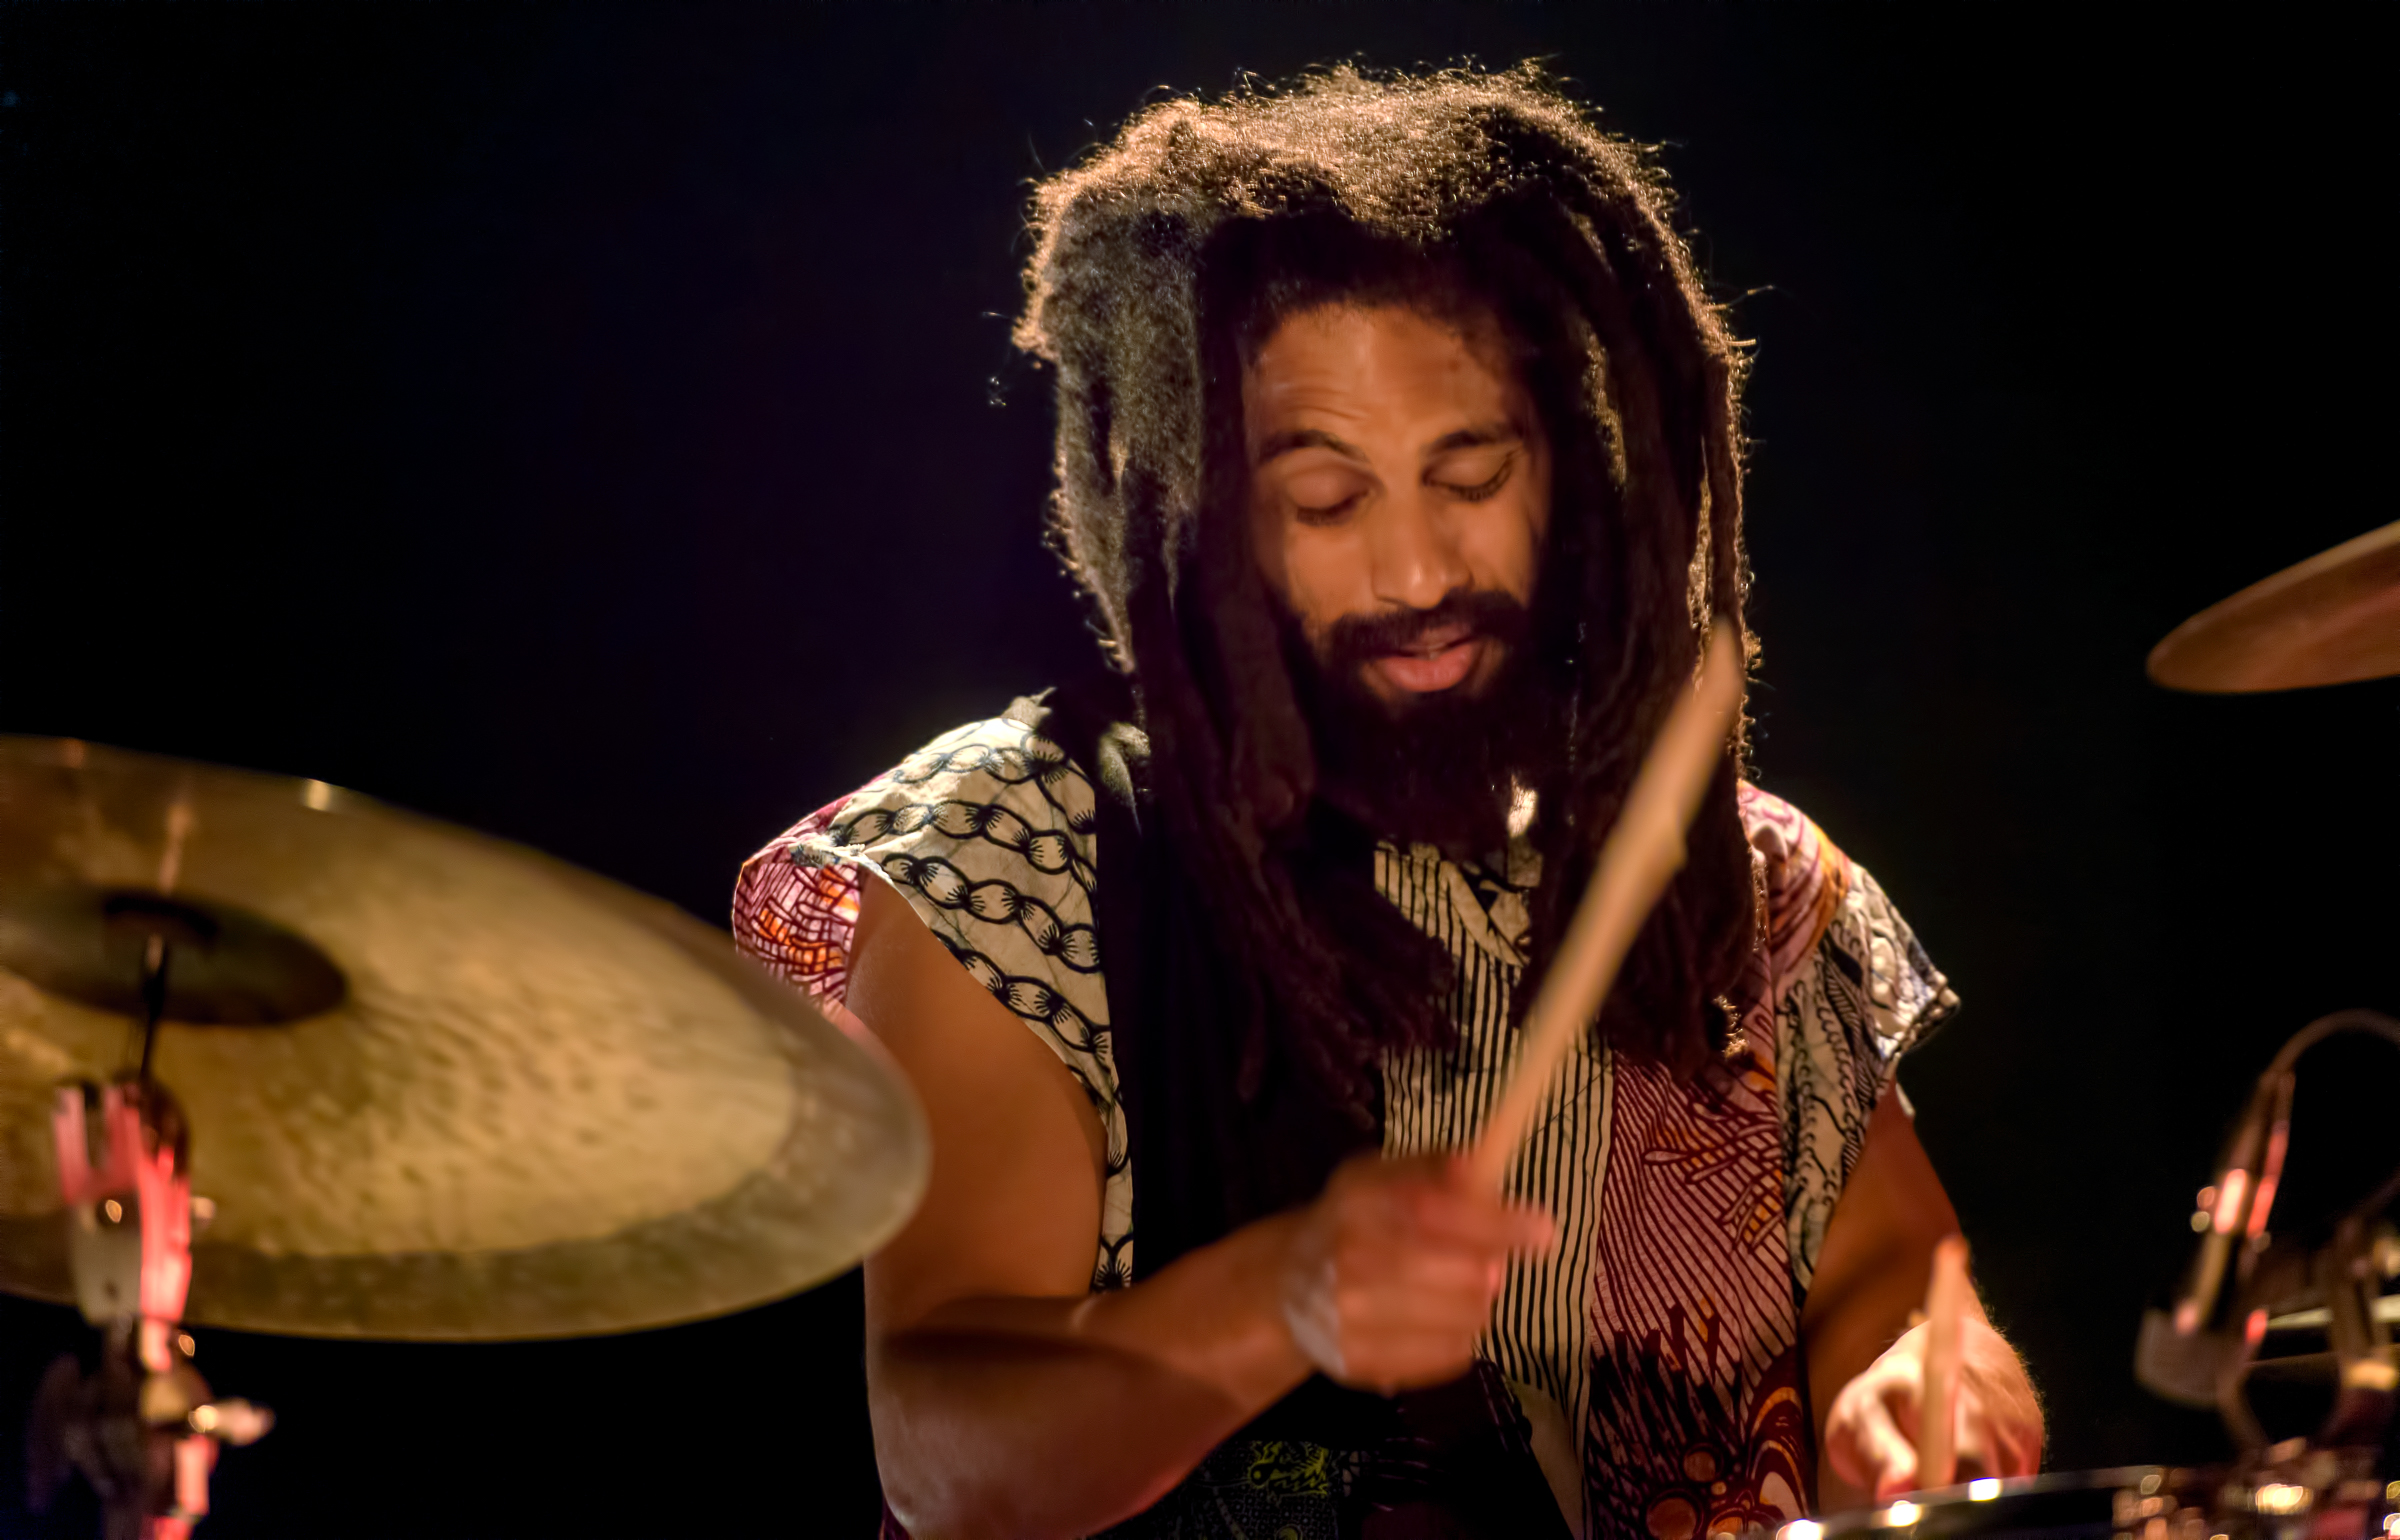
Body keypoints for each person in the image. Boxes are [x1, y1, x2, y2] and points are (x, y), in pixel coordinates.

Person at [734, 65, 2043, 1540]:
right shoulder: (1021, 861)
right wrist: (1278, 1300)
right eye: (1329, 503)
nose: (1418, 573)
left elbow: (1890, 1277)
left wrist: (1925, 1378)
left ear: (1577, 466)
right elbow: (947, 1455)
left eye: (1471, 472)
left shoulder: (1727, 882)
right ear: (1203, 507)